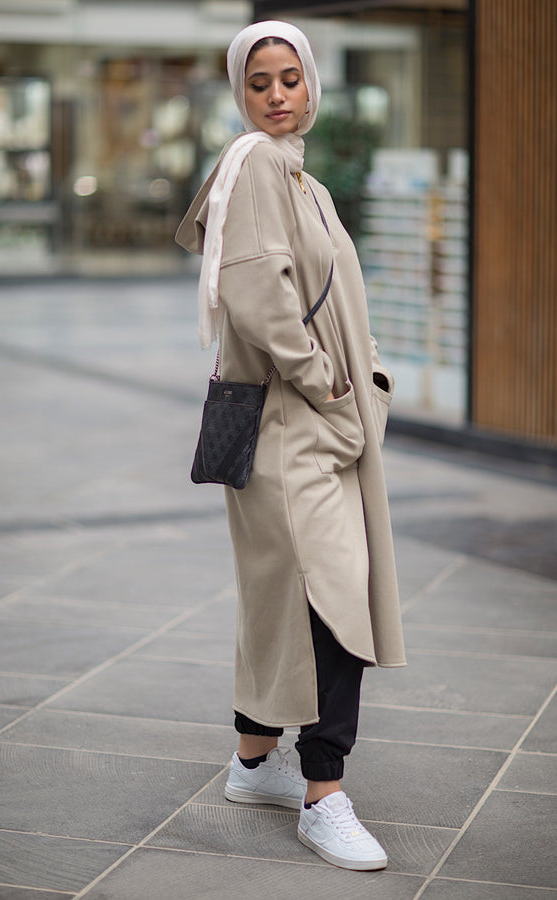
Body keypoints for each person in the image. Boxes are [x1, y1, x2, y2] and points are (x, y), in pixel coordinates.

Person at [175, 20, 405, 871]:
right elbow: (258, 294)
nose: (276, 95)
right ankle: (324, 794)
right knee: (332, 598)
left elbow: (335, 289)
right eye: (260, 82)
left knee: (283, 595)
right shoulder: (264, 163)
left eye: (290, 79)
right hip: (292, 424)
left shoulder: (303, 179)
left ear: (312, 85)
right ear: (243, 94)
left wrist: (367, 379)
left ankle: (251, 765)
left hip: (305, 421)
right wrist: (330, 385)